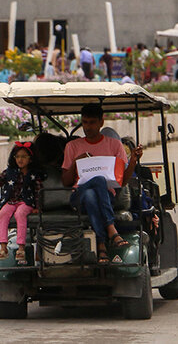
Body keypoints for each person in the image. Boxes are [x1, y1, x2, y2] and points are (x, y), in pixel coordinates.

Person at [62, 103, 144, 264]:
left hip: (104, 196)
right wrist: (75, 163)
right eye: (85, 122)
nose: (88, 127)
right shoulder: (73, 146)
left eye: (92, 122)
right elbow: (65, 181)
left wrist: (133, 160)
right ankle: (111, 230)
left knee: (93, 192)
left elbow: (122, 181)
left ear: (101, 122)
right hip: (78, 197)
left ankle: (100, 243)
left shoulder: (114, 145)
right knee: (97, 182)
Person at [0, 141, 44, 264]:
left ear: (30, 159)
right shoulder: (10, 172)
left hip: (26, 202)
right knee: (3, 213)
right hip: (11, 201)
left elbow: (38, 191)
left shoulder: (33, 174)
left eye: (23, 157)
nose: (20, 160)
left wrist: (38, 207)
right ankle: (3, 247)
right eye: (17, 157)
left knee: (20, 214)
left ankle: (21, 248)